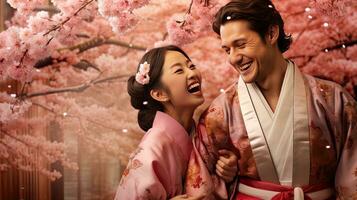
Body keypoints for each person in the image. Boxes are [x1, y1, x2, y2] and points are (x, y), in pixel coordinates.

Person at [190, 0, 357, 199]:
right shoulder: (219, 112)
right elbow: (202, 185)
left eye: (240, 44)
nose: (233, 58)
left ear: (271, 34)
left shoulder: (333, 100)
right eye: (227, 50)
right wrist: (227, 177)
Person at [114, 45, 238, 200]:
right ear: (159, 94)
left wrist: (227, 172)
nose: (192, 73)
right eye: (179, 70)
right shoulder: (154, 145)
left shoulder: (200, 133)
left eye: (191, 66)